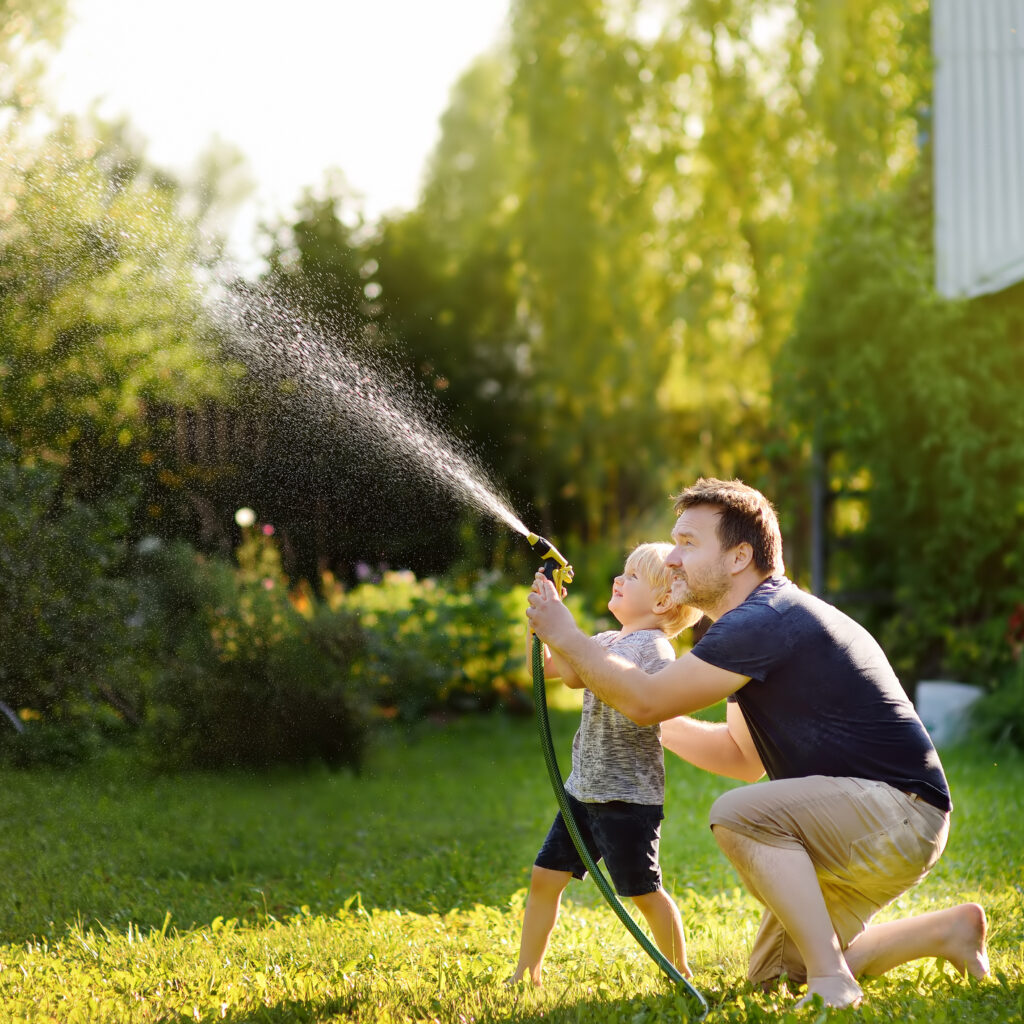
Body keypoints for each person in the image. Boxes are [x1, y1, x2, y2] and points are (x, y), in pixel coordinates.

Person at [525, 478, 989, 1009]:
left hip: (896, 812)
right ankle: (946, 932)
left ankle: (832, 983)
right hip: (874, 821)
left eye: (688, 543)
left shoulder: (763, 619)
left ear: (739, 556)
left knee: (738, 814)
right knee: (772, 978)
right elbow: (740, 758)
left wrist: (568, 638)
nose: (672, 558)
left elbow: (647, 701)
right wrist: (644, 718)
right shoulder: (747, 627)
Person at [512, 542, 702, 985]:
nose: (618, 580)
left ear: (660, 602)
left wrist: (569, 634)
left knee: (643, 891)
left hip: (627, 799)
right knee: (544, 877)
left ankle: (680, 970)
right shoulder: (601, 641)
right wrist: (541, 621)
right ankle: (527, 972)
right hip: (582, 790)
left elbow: (624, 684)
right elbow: (547, 669)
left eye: (632, 577)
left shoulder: (655, 650)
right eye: (623, 572)